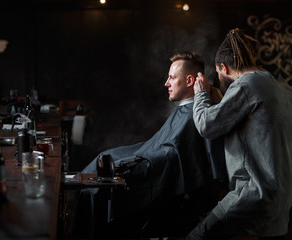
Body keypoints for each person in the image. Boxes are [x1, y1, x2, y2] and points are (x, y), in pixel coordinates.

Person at [70, 52, 226, 239]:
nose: (166, 83)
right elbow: (162, 147)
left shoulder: (195, 115)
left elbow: (172, 155)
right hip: (149, 163)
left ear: (190, 80)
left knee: (101, 180)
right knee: (102, 164)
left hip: (166, 189)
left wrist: (133, 163)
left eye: (172, 77)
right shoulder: (186, 111)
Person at [187, 28, 292, 239]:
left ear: (223, 67)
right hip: (284, 195)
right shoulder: (282, 87)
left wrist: (201, 93)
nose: (219, 78)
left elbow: (206, 126)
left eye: (219, 74)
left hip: (253, 194)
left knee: (197, 237)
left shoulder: (248, 84)